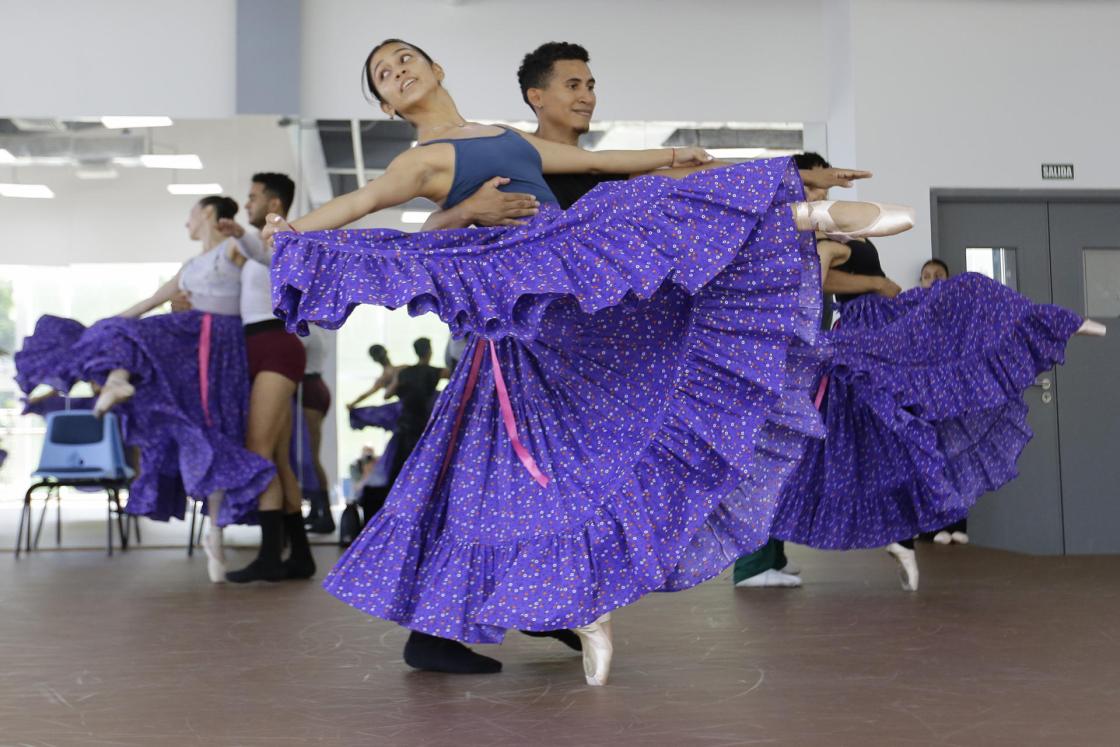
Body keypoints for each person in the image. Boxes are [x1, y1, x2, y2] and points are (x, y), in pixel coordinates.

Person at [262, 38, 910, 686]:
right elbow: (370, 215)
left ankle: (796, 213)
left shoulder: (503, 135)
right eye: (384, 73)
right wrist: (302, 228)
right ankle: (801, 215)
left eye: (405, 58)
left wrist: (671, 156)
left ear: (437, 69)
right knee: (509, 467)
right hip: (518, 297)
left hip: (558, 281)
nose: (398, 70)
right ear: (386, 102)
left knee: (489, 466)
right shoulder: (418, 160)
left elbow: (587, 162)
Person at [13, 197, 275, 575]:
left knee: (215, 428)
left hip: (217, 343)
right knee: (122, 335)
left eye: (191, 213)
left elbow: (260, 257)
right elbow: (150, 302)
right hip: (187, 341)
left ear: (206, 213)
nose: (187, 221)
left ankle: (215, 533)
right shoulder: (189, 267)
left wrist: (243, 235)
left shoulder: (230, 249)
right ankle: (117, 380)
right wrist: (95, 331)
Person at [176, 174, 316, 584]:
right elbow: (221, 285)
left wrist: (242, 235)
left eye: (253, 196)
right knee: (279, 457)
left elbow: (271, 259)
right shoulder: (245, 244)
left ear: (272, 201)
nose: (246, 202)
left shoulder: (285, 239)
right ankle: (300, 554)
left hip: (275, 343)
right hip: (251, 345)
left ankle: (271, 555)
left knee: (259, 451)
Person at [300, 325, 336, 534]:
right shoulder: (320, 329)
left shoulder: (307, 331)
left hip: (309, 390)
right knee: (311, 456)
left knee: (312, 458)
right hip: (316, 387)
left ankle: (326, 515)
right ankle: (315, 511)